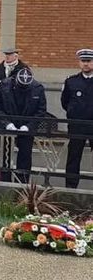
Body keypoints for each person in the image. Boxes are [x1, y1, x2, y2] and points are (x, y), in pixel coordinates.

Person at [0, 67, 46, 183]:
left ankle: (23, 184)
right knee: (5, 157)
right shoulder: (3, 86)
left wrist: (29, 126)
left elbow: (41, 111)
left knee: (25, 157)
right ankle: (4, 183)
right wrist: (7, 124)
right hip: (8, 125)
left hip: (26, 125)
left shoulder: (37, 88)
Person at [60, 49, 93, 188]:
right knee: (74, 157)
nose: (86, 64)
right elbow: (65, 102)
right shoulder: (71, 81)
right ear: (79, 63)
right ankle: (71, 187)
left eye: (89, 61)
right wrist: (74, 114)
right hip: (77, 124)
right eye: (83, 61)